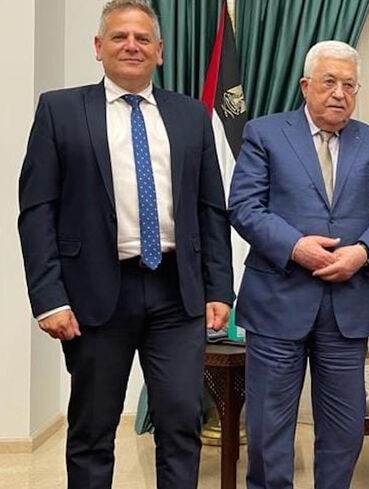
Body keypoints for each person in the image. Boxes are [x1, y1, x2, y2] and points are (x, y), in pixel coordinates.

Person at [17, 1, 234, 488]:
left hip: (177, 294)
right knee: (93, 429)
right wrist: (49, 298)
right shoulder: (61, 110)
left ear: (159, 51)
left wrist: (220, 289)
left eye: (142, 39)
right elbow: (37, 211)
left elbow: (210, 210)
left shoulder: (192, 116)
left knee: (181, 423)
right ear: (98, 48)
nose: (131, 45)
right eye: (119, 37)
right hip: (95, 293)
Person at [228, 40, 369, 489]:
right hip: (277, 303)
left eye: (349, 85)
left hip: (347, 308)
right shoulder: (265, 133)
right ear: (306, 85)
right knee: (270, 431)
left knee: (344, 432)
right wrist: (295, 247)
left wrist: (362, 252)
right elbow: (244, 206)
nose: (339, 93)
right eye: (329, 82)